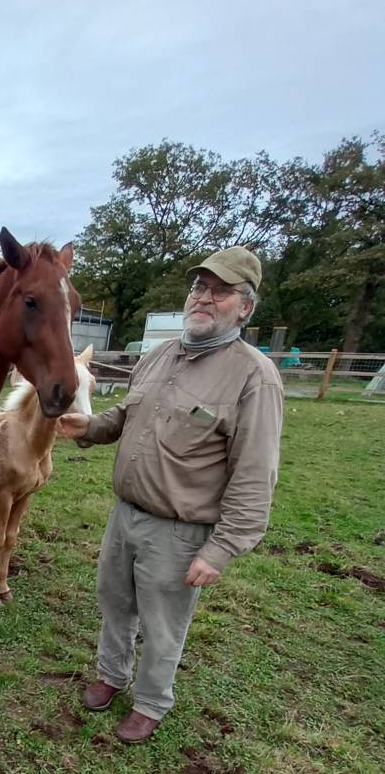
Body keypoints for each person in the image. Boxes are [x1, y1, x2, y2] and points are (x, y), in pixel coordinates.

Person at [57, 247, 284, 742]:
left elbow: (255, 472)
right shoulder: (161, 355)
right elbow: (127, 416)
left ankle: (152, 701)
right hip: (126, 514)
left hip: (180, 530)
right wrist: (90, 427)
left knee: (163, 622)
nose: (203, 298)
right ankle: (112, 675)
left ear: (245, 306)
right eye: (199, 288)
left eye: (219, 291)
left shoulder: (254, 377)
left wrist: (221, 549)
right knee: (114, 600)